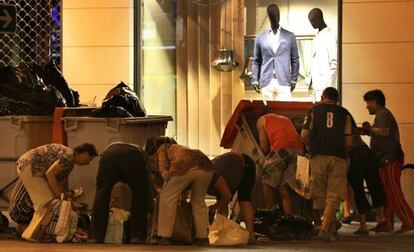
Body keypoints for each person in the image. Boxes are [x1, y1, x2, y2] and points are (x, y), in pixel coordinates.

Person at [8, 143, 98, 235]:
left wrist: (63, 198)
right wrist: (59, 197)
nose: (88, 163)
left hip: (28, 166)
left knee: (48, 202)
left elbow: (59, 183)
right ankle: (32, 234)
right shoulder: (68, 156)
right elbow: (50, 174)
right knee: (47, 204)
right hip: (30, 167)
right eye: (89, 159)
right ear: (85, 153)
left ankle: (29, 231)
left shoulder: (69, 161)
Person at [301, 87, 352, 242]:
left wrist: (311, 147)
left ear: (323, 97)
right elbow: (349, 142)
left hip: (318, 156)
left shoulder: (313, 111)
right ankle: (326, 228)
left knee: (319, 193)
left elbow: (304, 135)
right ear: (337, 99)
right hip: (338, 156)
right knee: (334, 195)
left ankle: (323, 226)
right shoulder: (345, 113)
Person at [361, 89, 414, 234]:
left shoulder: (383, 114)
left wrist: (370, 129)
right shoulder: (382, 114)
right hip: (385, 159)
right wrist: (368, 130)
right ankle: (388, 224)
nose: (366, 106)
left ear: (374, 101)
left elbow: (384, 132)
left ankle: (409, 221)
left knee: (394, 192)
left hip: (390, 159)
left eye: (368, 103)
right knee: (387, 193)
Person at [145, 136, 213, 246]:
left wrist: (163, 188)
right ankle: (203, 237)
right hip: (206, 166)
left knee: (166, 197)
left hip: (183, 166)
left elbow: (164, 170)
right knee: (198, 202)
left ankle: (164, 236)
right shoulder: (178, 147)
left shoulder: (161, 148)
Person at [89, 142, 151, 243]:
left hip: (109, 156)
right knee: (139, 194)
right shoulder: (140, 151)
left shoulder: (108, 149)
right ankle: (137, 236)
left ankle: (95, 236)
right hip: (134, 157)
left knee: (102, 192)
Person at [256, 112, 304, 214]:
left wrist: (259, 158)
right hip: (299, 150)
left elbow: (264, 147)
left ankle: (270, 209)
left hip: (282, 148)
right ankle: (288, 217)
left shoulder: (261, 120)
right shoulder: (284, 118)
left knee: (266, 177)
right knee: (283, 185)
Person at [251, 4, 299, 101]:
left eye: (276, 15)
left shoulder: (289, 36)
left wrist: (294, 79)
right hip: (266, 82)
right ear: (269, 16)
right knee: (268, 114)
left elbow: (295, 59)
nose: (275, 17)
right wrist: (255, 80)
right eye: (272, 15)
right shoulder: (260, 37)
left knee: (284, 112)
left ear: (279, 15)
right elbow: (256, 61)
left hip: (284, 80)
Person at [347, 118, 387, 235]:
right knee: (375, 185)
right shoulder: (351, 125)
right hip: (368, 153)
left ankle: (363, 225)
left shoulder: (338, 127)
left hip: (354, 156)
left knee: (358, 189)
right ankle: (382, 218)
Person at [207, 152, 256, 242]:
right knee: (222, 201)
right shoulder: (201, 179)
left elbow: (227, 196)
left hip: (245, 164)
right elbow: (223, 200)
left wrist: (213, 207)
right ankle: (222, 232)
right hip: (230, 171)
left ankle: (250, 235)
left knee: (244, 200)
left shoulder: (214, 176)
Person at [308, 8, 337, 102]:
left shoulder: (330, 37)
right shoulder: (317, 37)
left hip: (324, 87)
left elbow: (334, 62)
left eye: (312, 20)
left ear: (319, 18)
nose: (311, 24)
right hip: (314, 86)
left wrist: (329, 86)